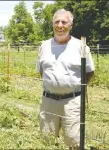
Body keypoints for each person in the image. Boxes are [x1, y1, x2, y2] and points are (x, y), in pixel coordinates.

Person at [36, 9, 95, 149]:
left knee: (75, 142)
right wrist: (53, 86)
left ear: (71, 25)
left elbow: (89, 71)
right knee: (46, 139)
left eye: (64, 22)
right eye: (57, 22)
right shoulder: (44, 46)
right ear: (53, 25)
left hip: (72, 101)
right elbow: (41, 71)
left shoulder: (80, 46)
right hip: (48, 100)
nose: (60, 25)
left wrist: (73, 88)